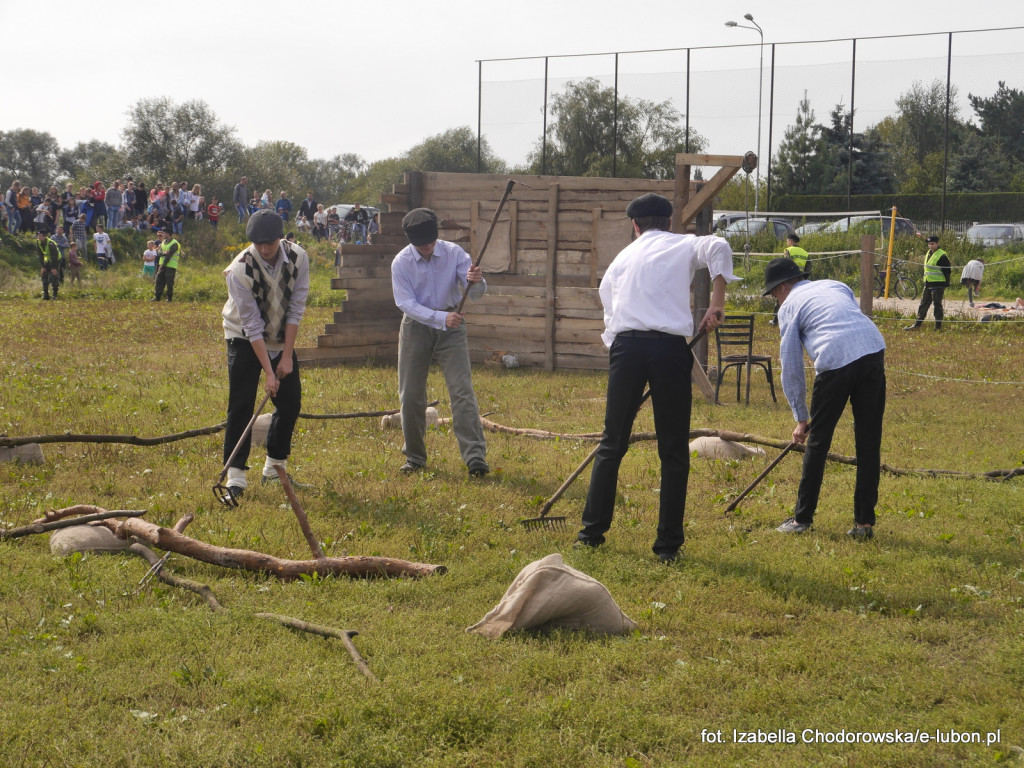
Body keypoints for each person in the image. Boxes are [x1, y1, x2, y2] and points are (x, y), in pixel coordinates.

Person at [575, 193, 734, 563]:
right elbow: (719, 246)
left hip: (627, 350)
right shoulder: (683, 245)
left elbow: (608, 306)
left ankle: (590, 535)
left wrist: (624, 358)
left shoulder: (621, 259)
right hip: (668, 350)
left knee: (612, 443)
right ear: (669, 222)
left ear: (635, 226)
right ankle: (667, 547)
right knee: (673, 448)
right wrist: (717, 302)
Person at [763, 258, 886, 539]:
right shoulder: (835, 285)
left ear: (781, 288)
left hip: (835, 359)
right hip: (872, 350)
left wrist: (801, 418)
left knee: (818, 442)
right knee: (869, 441)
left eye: (773, 295)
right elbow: (848, 320)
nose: (776, 300)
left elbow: (791, 364)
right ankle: (864, 524)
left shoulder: (789, 306)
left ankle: (801, 519)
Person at [219, 208, 310, 502]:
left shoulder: (298, 257)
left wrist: (286, 356)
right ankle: (235, 477)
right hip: (243, 336)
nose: (264, 249)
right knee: (241, 404)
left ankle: (274, 468)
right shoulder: (239, 270)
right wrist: (269, 373)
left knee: (290, 401)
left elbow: (296, 307)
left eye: (269, 243)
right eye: (257, 244)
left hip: (280, 335)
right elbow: (251, 324)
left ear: (280, 238)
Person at [391, 208, 489, 477]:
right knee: (411, 394)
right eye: (421, 244)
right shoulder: (401, 263)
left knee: (462, 391)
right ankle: (414, 457)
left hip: (452, 327)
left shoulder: (454, 253)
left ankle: (475, 457)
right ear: (411, 240)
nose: (427, 247)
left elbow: (475, 294)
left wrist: (477, 281)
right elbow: (405, 303)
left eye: (430, 241)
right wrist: (440, 318)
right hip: (416, 327)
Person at [905, 235, 951, 330]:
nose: (930, 246)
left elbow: (947, 271)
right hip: (928, 283)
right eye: (929, 244)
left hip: (938, 284)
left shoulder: (942, 255)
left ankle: (938, 327)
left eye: (932, 244)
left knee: (937, 305)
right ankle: (917, 324)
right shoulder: (929, 253)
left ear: (937, 244)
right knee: (923, 304)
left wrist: (946, 283)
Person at [772, 233, 810, 325]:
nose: (786, 242)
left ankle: (776, 320)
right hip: (801, 279)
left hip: (789, 278)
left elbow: (786, 265)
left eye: (787, 241)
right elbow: (808, 268)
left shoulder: (788, 250)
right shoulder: (805, 252)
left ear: (791, 241)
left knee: (781, 297)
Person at [154, 228, 181, 301]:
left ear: (168, 234)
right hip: (162, 265)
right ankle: (157, 297)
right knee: (159, 281)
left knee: (169, 283)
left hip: (170, 266)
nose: (162, 235)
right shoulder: (163, 243)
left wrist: (163, 265)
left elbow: (169, 256)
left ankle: (169, 298)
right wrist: (164, 253)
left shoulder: (174, 244)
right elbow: (159, 253)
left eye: (163, 233)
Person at [37, 231, 62, 300]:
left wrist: (54, 268)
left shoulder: (51, 244)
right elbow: (40, 255)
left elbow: (55, 256)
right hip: (47, 261)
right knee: (44, 275)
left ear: (45, 236)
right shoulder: (38, 242)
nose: (39, 237)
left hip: (56, 261)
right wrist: (43, 266)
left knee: (54, 277)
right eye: (38, 235)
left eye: (40, 236)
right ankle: (46, 294)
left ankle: (55, 295)